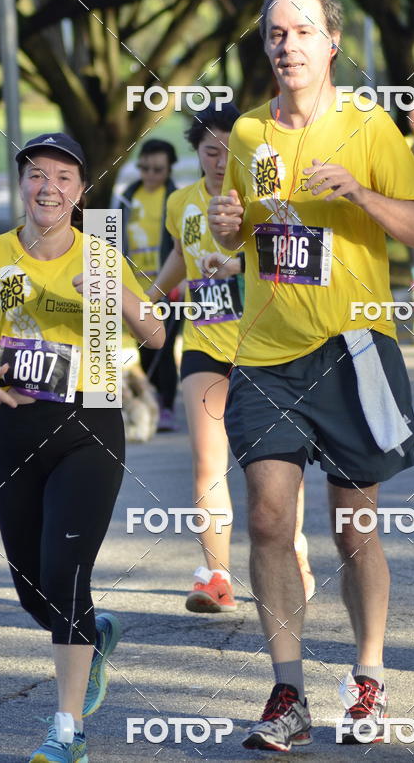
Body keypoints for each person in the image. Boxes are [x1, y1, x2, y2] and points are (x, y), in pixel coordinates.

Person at [208, 0, 414, 750]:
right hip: (266, 355)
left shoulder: (370, 128)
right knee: (270, 518)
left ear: (332, 43)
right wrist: (227, 224)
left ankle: (367, 676)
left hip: (352, 351)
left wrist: (360, 196)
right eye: (276, 33)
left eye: (303, 31)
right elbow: (240, 238)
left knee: (353, 530)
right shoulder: (247, 135)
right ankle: (288, 693)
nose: (287, 45)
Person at [0, 133, 165, 763]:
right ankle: (94, 632)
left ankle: (67, 733)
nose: (49, 187)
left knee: (64, 573)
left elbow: (157, 332)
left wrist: (112, 298)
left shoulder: (100, 258)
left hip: (89, 424)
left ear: (80, 193)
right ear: (22, 185)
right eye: (37, 174)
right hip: (10, 429)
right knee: (33, 586)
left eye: (64, 177)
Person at [147, 105, 315, 615]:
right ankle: (215, 575)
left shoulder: (264, 196)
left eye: (230, 151)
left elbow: (291, 253)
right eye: (210, 151)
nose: (221, 161)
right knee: (207, 463)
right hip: (204, 344)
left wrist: (239, 263)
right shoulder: (181, 202)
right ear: (196, 152)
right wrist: (152, 295)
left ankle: (295, 557)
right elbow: (180, 253)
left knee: (277, 468)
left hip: (265, 345)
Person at [117, 138, 180, 431]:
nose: (150, 175)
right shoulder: (128, 197)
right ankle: (152, 396)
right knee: (145, 348)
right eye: (144, 168)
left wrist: (177, 280)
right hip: (136, 287)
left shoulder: (176, 199)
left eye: (157, 169)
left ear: (169, 170)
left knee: (164, 348)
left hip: (169, 286)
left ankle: (166, 404)